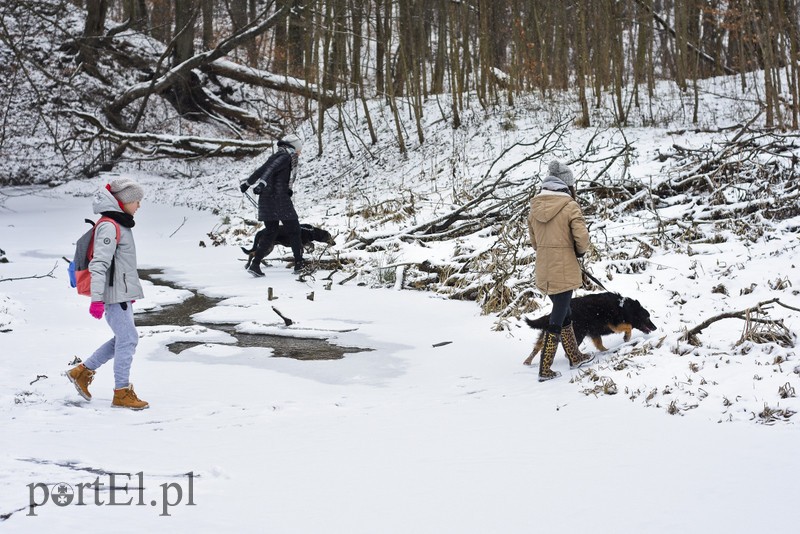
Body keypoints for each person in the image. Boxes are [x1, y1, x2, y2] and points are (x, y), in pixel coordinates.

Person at [66, 179, 149, 409]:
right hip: (112, 295)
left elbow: (120, 264)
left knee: (124, 339)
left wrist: (127, 289)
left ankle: (81, 372)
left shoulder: (119, 224)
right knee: (128, 339)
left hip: (120, 293)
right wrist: (97, 300)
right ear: (123, 202)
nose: (138, 206)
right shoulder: (109, 226)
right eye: (136, 201)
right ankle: (121, 392)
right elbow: (99, 265)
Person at [527, 160, 595, 382]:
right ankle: (545, 368)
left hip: (545, 269)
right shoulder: (569, 206)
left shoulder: (534, 205)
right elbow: (582, 240)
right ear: (567, 185)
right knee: (558, 316)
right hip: (564, 269)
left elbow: (534, 243)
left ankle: (574, 356)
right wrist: (579, 253)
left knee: (564, 311)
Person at [240, 134, 306, 277]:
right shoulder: (285, 157)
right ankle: (299, 264)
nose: (300, 151)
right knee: (294, 230)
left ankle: (255, 264)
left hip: (267, 200)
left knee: (271, 232)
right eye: (299, 148)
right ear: (293, 147)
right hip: (279, 200)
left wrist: (247, 183)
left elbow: (262, 170)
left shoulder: (276, 156)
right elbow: (268, 172)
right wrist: (261, 183)